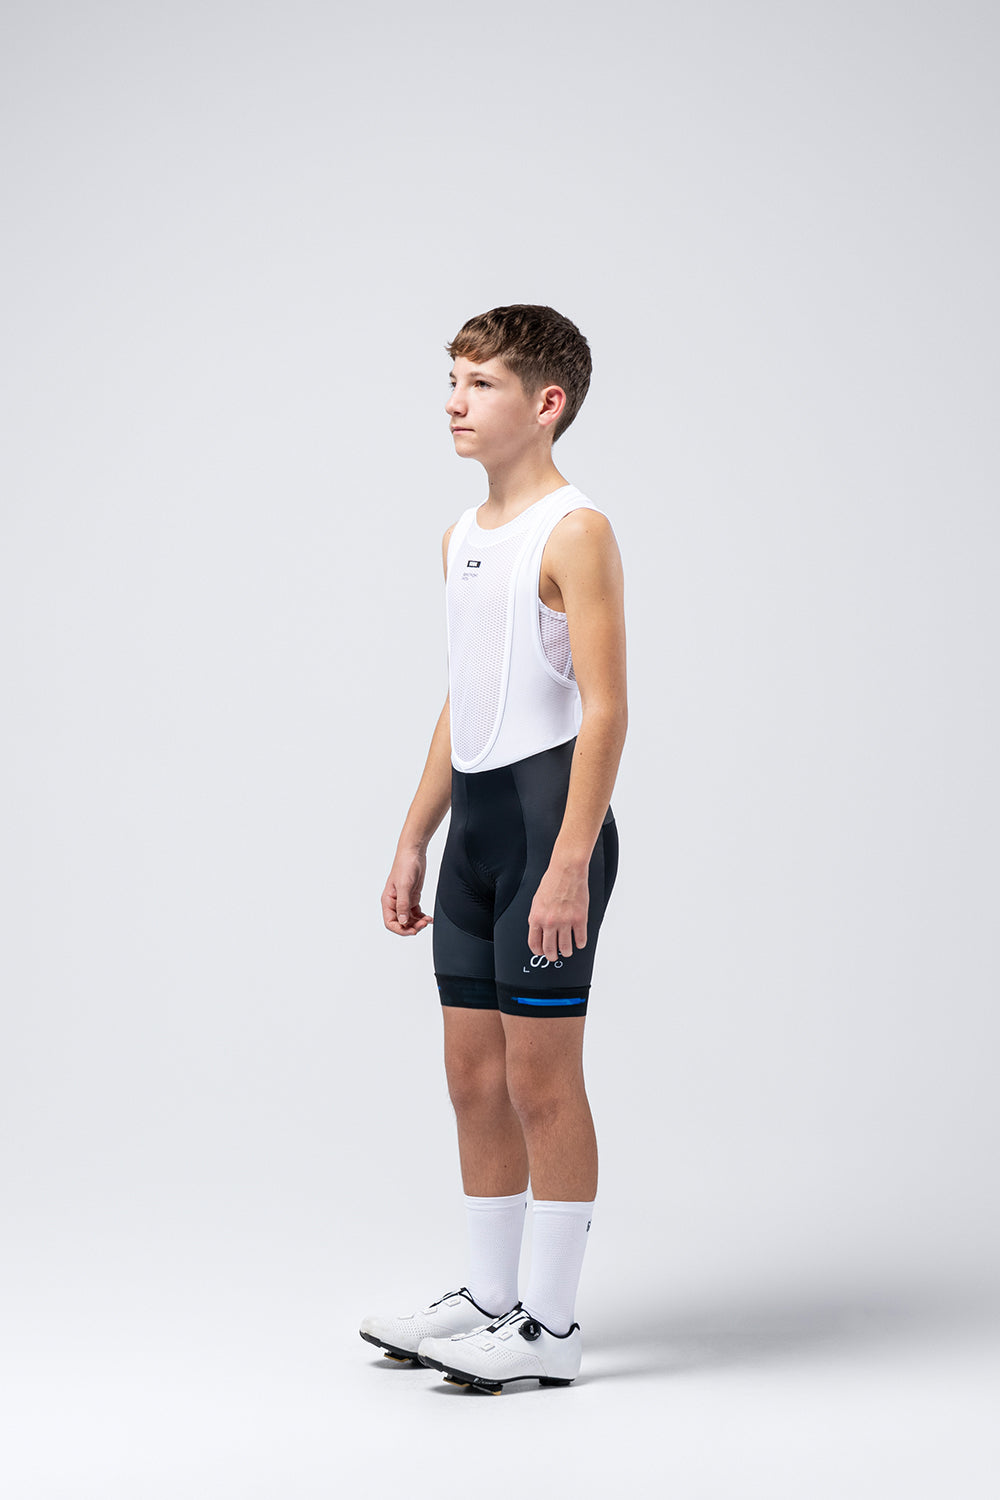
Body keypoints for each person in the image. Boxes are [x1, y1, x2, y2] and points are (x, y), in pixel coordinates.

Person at [359, 304, 627, 1393]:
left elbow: (605, 712)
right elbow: (465, 696)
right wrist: (412, 837)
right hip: (474, 836)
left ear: (546, 403)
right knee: (472, 1076)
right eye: (453, 380)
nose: (454, 403)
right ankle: (487, 1297)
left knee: (540, 1079)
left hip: (548, 841)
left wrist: (567, 864)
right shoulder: (461, 536)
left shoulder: (576, 531)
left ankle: (550, 1329)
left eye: (480, 383)